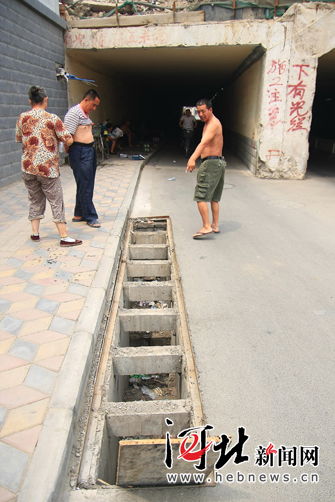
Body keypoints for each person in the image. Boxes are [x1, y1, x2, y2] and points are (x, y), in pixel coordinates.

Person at [15, 85, 82, 247]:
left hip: (28, 166)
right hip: (48, 168)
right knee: (56, 199)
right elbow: (68, 139)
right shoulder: (52, 118)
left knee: (34, 198)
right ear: (46, 100)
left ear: (30, 101)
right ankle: (64, 236)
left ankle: (35, 233)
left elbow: (19, 138)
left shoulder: (22, 117)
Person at [186, 99, 225, 240]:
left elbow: (204, 143)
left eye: (203, 111)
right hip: (218, 163)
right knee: (214, 197)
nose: (201, 114)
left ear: (210, 110)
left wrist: (192, 159)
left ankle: (206, 225)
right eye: (198, 111)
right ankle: (214, 225)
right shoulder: (210, 123)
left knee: (200, 196)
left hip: (210, 164)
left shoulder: (213, 124)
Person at [64, 89, 101, 228]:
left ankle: (78, 213)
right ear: (86, 100)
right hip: (79, 151)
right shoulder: (74, 113)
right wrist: (71, 152)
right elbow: (67, 137)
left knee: (85, 183)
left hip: (88, 151)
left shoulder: (84, 114)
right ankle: (90, 216)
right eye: (93, 104)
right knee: (85, 184)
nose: (94, 108)